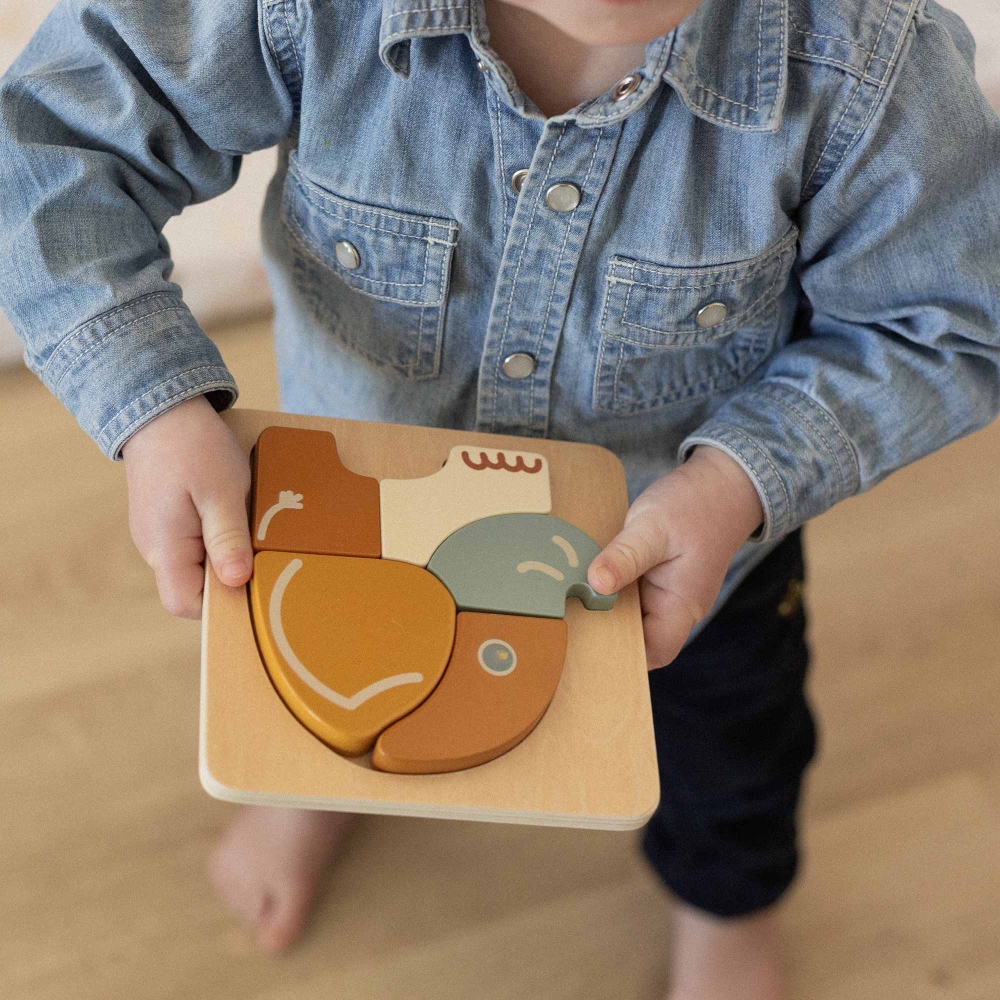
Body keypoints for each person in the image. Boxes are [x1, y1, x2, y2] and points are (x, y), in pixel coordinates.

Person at [1, 0, 998, 995]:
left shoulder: (872, 61)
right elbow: (51, 138)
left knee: (734, 759)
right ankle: (322, 783)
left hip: (688, 547)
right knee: (324, 689)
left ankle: (723, 907)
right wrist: (154, 407)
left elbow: (944, 323)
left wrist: (739, 479)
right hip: (356, 525)